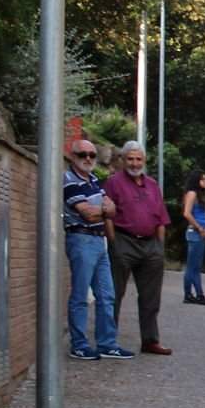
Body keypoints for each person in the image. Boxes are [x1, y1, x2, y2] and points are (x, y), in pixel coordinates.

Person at [61, 138, 128, 360]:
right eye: (83, 155)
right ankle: (79, 344)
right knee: (80, 295)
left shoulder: (93, 180)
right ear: (73, 156)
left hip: (99, 240)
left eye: (92, 155)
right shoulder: (69, 180)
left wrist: (104, 210)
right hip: (81, 239)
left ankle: (107, 343)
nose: (88, 159)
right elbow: (88, 213)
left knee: (107, 295)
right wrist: (105, 210)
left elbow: (112, 207)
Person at [102, 140, 171, 354]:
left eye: (138, 159)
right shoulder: (113, 182)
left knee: (151, 297)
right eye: (130, 159)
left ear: (144, 160)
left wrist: (160, 248)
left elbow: (161, 218)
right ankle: (108, 341)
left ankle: (150, 340)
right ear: (123, 160)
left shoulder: (152, 185)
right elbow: (107, 214)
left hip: (150, 244)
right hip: (124, 241)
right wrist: (113, 242)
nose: (134, 163)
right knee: (115, 293)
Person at [179, 168, 205, 305]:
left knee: (195, 266)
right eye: (203, 179)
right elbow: (187, 213)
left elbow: (196, 213)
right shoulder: (192, 193)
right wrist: (199, 227)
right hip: (195, 233)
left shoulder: (198, 195)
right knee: (193, 266)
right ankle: (194, 294)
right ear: (197, 180)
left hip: (199, 232)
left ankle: (195, 294)